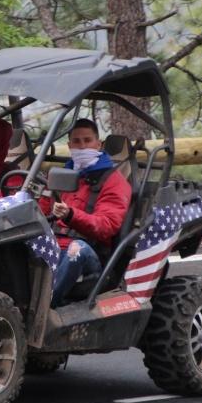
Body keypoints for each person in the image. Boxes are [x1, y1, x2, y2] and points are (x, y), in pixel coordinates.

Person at [46, 118, 131, 305]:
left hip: (91, 253)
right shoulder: (60, 176)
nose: (82, 146)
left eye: (87, 140)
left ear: (98, 144)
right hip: (53, 245)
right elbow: (40, 211)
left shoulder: (114, 181)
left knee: (77, 250)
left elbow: (107, 225)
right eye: (77, 141)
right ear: (69, 146)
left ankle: (48, 308)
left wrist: (71, 215)